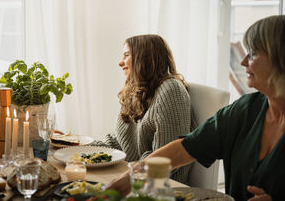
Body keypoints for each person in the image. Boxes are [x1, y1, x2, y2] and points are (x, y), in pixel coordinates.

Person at [108, 15, 285, 201]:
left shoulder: (170, 90)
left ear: (280, 58)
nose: (243, 62)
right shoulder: (246, 109)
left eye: (254, 53)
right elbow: (183, 149)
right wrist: (129, 179)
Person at [93, 34, 195, 184]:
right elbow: (120, 146)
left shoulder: (171, 90)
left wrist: (127, 173)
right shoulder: (135, 91)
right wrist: (76, 145)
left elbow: (164, 161)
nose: (120, 63)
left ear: (144, 57)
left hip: (159, 189)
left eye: (126, 55)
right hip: (130, 176)